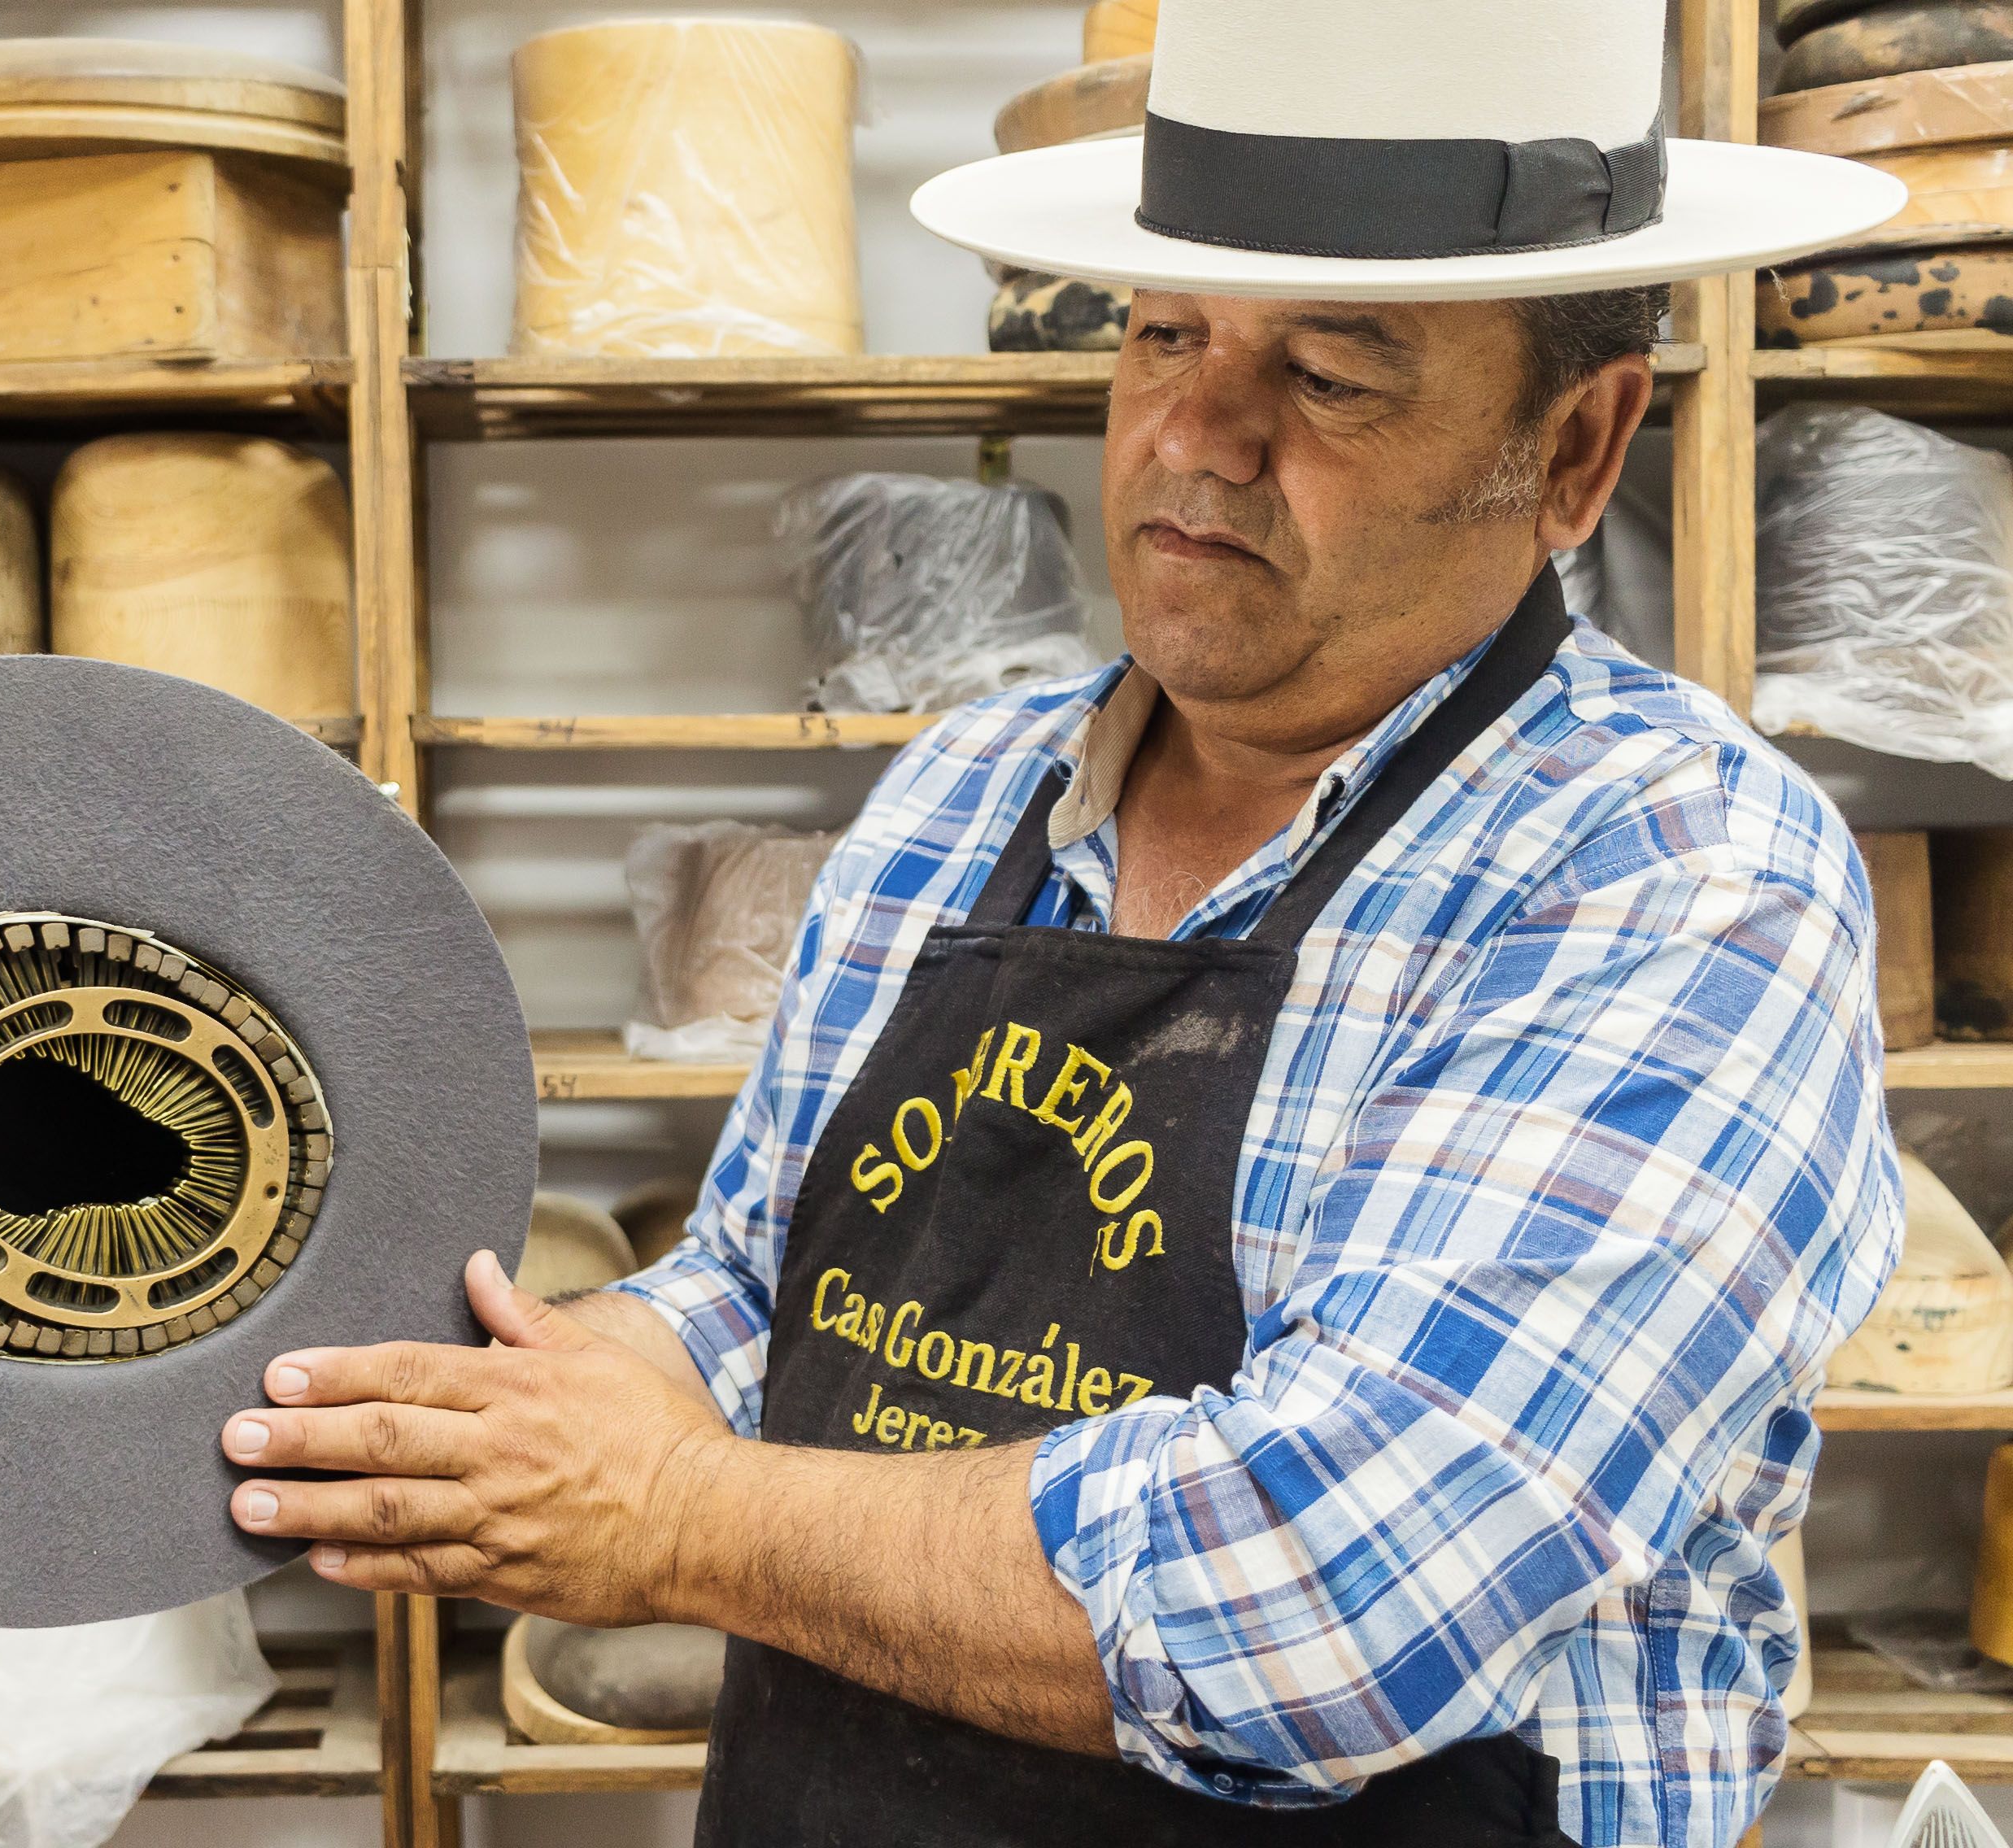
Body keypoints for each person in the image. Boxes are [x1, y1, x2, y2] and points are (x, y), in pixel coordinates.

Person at [221, 2, 1915, 1842]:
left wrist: (669, 1508)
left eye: (1333, 375)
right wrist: (559, 1394)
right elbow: (759, 1287)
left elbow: (1325, 1599)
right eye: (1164, 332)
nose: (1196, 435)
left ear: (1578, 447)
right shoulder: (967, 794)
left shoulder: (1673, 871)